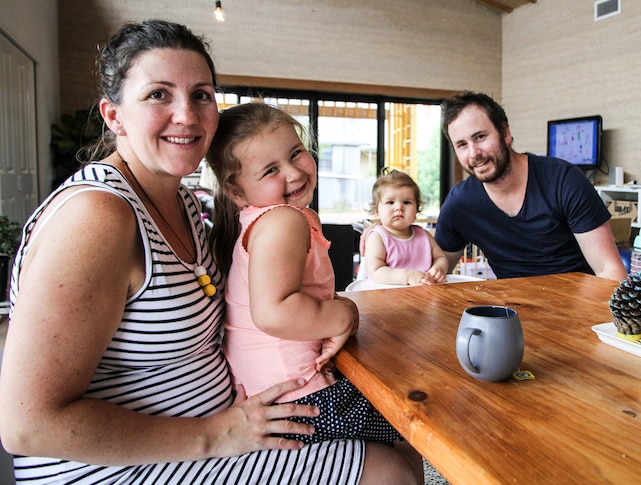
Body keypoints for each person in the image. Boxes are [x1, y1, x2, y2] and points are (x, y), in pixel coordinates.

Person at [0, 19, 421, 485]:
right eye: (159, 94)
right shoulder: (98, 217)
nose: (187, 114)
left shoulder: (181, 200)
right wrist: (213, 435)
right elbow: (28, 426)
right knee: (391, 469)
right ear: (114, 115)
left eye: (201, 94)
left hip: (227, 424)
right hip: (126, 467)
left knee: (402, 437)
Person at [205, 104, 420, 473]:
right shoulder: (283, 220)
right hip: (303, 400)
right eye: (271, 170)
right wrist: (344, 315)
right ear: (236, 192)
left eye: (295, 154)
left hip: (273, 396)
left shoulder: (259, 218)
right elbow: (274, 312)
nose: (292, 172)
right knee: (413, 426)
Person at [433, 91, 628, 281]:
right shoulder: (460, 203)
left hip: (579, 306)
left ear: (505, 132)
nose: (474, 153)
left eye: (480, 137)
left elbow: (610, 272)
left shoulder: (563, 181)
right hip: (512, 311)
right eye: (462, 145)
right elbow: (436, 274)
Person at [362, 168, 449, 285]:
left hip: (423, 295)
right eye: (390, 202)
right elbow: (375, 272)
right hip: (385, 297)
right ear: (376, 210)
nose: (399, 207)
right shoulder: (378, 237)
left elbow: (441, 257)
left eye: (406, 202)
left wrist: (438, 269)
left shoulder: (424, 236)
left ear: (416, 210)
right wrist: (408, 276)